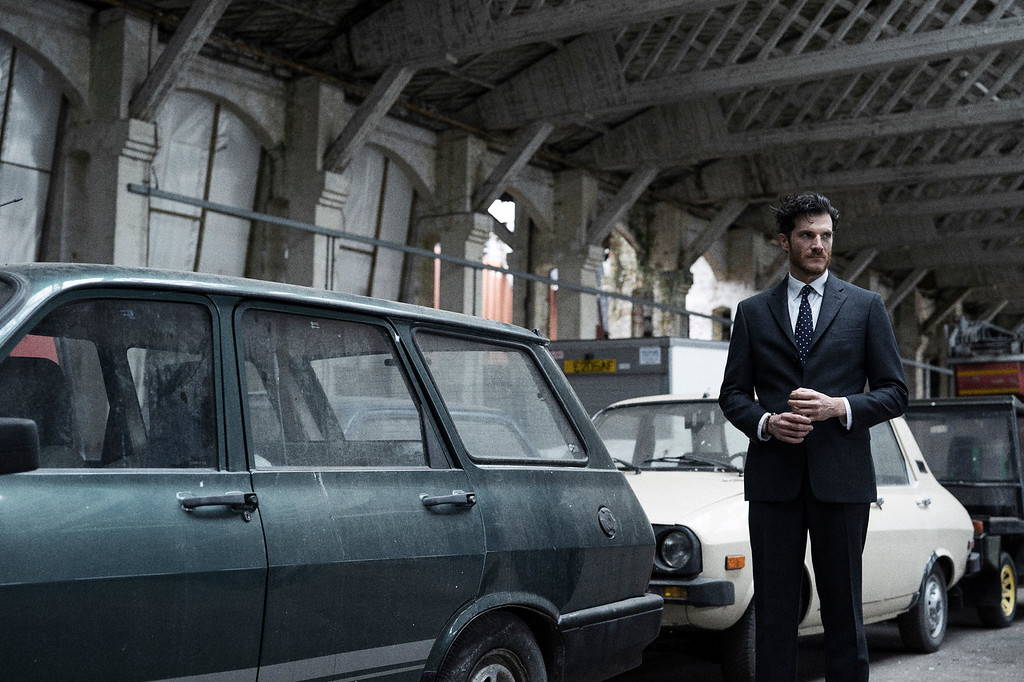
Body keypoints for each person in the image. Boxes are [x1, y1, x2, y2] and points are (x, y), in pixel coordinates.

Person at [719, 192, 908, 682]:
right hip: (774, 483)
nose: (818, 244)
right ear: (784, 242)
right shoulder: (753, 312)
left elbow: (894, 393)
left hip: (842, 482)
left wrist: (838, 408)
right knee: (776, 610)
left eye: (825, 235)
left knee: (844, 607)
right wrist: (766, 423)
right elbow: (733, 394)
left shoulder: (865, 307)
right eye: (807, 235)